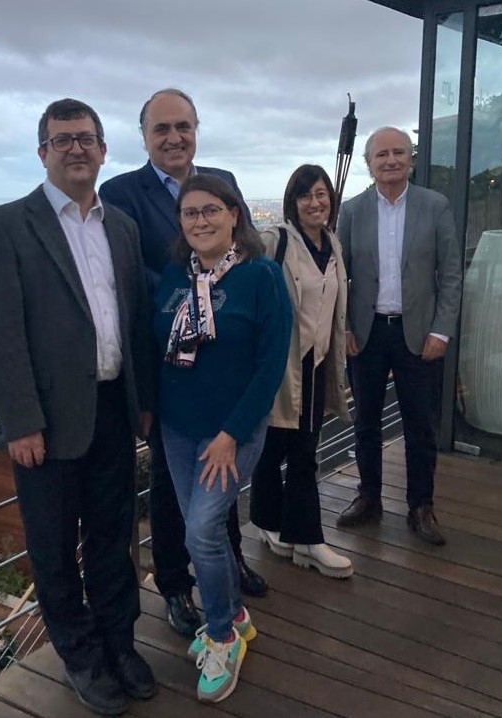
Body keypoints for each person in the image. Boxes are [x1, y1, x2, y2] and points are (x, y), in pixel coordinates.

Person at [0, 98, 156, 716]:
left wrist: (142, 404)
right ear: (43, 152)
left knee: (112, 539)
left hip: (110, 411)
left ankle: (119, 645)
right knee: (53, 550)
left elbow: (131, 325)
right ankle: (80, 656)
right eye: (62, 139)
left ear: (104, 149)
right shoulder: (5, 227)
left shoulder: (120, 226)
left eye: (87, 138)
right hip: (44, 425)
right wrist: (20, 419)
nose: (77, 148)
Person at [99, 88, 267, 641]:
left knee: (219, 486)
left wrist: (219, 288)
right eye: (161, 129)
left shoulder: (220, 179)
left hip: (228, 364)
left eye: (183, 127)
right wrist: (191, 289)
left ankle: (227, 568)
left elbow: (242, 252)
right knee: (174, 492)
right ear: (143, 135)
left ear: (197, 129)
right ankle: (174, 585)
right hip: (166, 366)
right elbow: (130, 274)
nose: (174, 138)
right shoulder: (120, 192)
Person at [153, 174, 291, 702]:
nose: (201, 221)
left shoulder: (261, 278)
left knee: (203, 533)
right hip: (177, 427)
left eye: (211, 210)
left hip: (232, 432)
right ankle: (234, 613)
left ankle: (220, 636)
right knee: (201, 530)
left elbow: (270, 365)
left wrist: (233, 433)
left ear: (235, 215)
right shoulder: (173, 277)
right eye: (190, 213)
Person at [336, 126, 462, 546]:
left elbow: (451, 275)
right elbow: (339, 277)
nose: (391, 160)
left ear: (410, 158)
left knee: (421, 426)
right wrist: (345, 328)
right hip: (367, 334)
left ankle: (421, 506)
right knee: (366, 422)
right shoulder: (352, 211)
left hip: (420, 335)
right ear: (369, 164)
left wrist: (441, 331)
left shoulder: (435, 206)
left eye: (398, 152)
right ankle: (368, 496)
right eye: (382, 155)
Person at [250, 164, 353, 578]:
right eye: (306, 195)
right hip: (282, 366)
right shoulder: (275, 241)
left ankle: (284, 528)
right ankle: (299, 536)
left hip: (317, 363)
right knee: (275, 449)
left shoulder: (333, 244)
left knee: (302, 452)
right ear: (292, 202)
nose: (316, 202)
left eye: (322, 194)